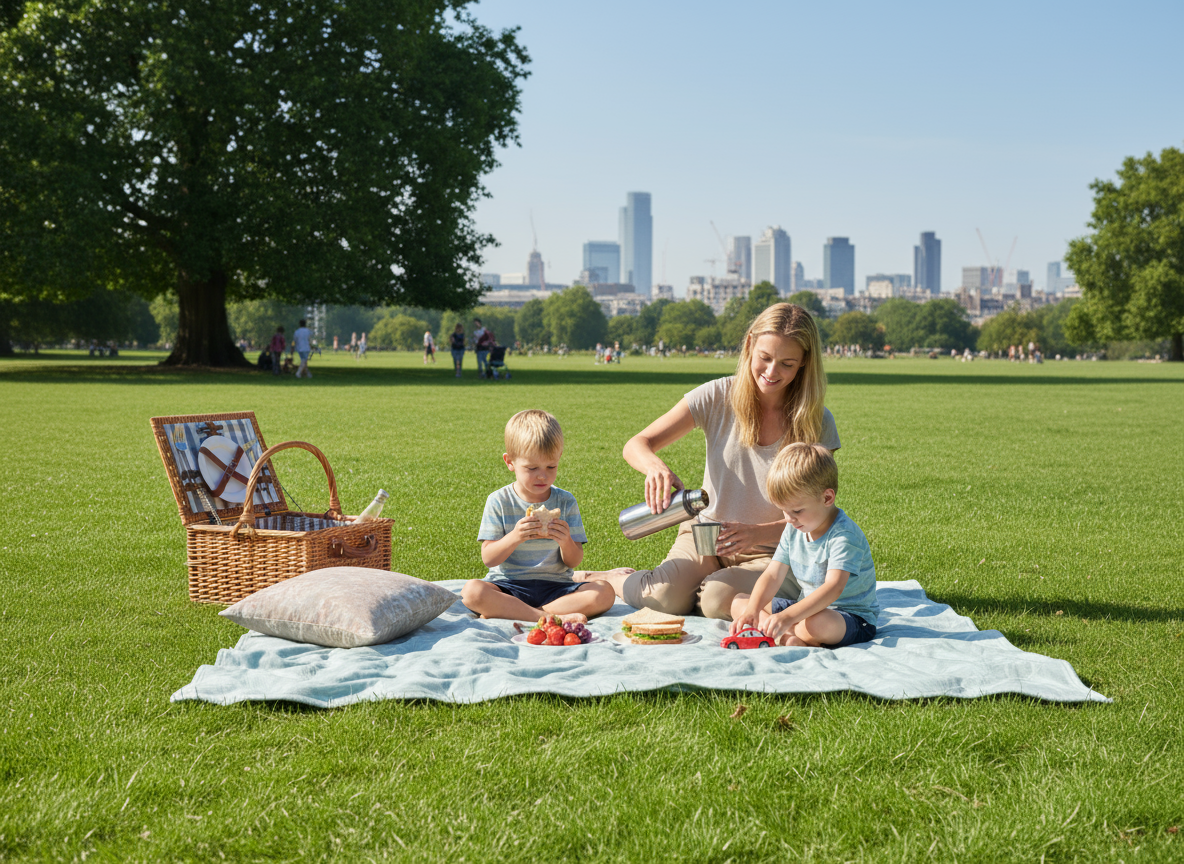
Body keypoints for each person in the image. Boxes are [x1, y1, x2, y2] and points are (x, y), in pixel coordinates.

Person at [582, 303, 839, 619]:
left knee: (716, 599)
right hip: (706, 536)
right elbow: (637, 444)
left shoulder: (816, 422)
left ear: (804, 363)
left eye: (787, 363)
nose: (772, 372)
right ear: (749, 346)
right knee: (663, 598)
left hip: (776, 551)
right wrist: (655, 467)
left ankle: (704, 586)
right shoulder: (717, 396)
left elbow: (821, 515)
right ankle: (613, 578)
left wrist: (757, 534)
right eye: (765, 358)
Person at [460, 410, 620, 622]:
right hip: (508, 585)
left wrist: (565, 541)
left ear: (559, 458)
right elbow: (489, 559)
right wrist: (515, 536)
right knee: (472, 592)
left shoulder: (565, 501)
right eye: (532, 468)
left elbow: (574, 560)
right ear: (510, 462)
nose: (542, 475)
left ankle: (521, 613)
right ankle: (546, 617)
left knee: (604, 592)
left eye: (551, 466)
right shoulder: (499, 500)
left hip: (557, 587)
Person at [729, 443, 878, 648]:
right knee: (740, 602)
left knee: (818, 624)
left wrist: (788, 617)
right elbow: (772, 575)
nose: (789, 519)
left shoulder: (843, 536)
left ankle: (783, 632)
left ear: (827, 498)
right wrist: (753, 610)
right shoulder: (794, 528)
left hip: (848, 617)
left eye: (797, 511)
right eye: (783, 510)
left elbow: (833, 588)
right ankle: (787, 636)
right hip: (803, 610)